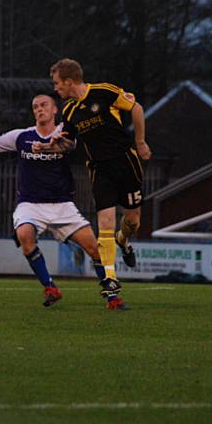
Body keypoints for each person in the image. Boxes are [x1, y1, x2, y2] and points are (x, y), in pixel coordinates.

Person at [0, 94, 128, 310]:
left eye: (44, 105)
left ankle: (112, 298)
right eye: (35, 107)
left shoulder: (65, 132)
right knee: (24, 235)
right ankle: (50, 287)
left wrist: (50, 147)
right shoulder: (21, 137)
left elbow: (68, 146)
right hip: (30, 205)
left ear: (54, 110)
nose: (39, 109)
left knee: (95, 249)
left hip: (62, 205)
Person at [43, 58, 152, 287]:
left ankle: (123, 240)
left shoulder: (103, 92)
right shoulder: (69, 111)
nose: (55, 88)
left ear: (69, 81)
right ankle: (110, 278)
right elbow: (69, 144)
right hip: (99, 169)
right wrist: (49, 146)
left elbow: (137, 108)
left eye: (57, 83)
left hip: (125, 163)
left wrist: (140, 143)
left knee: (133, 220)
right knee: (105, 222)